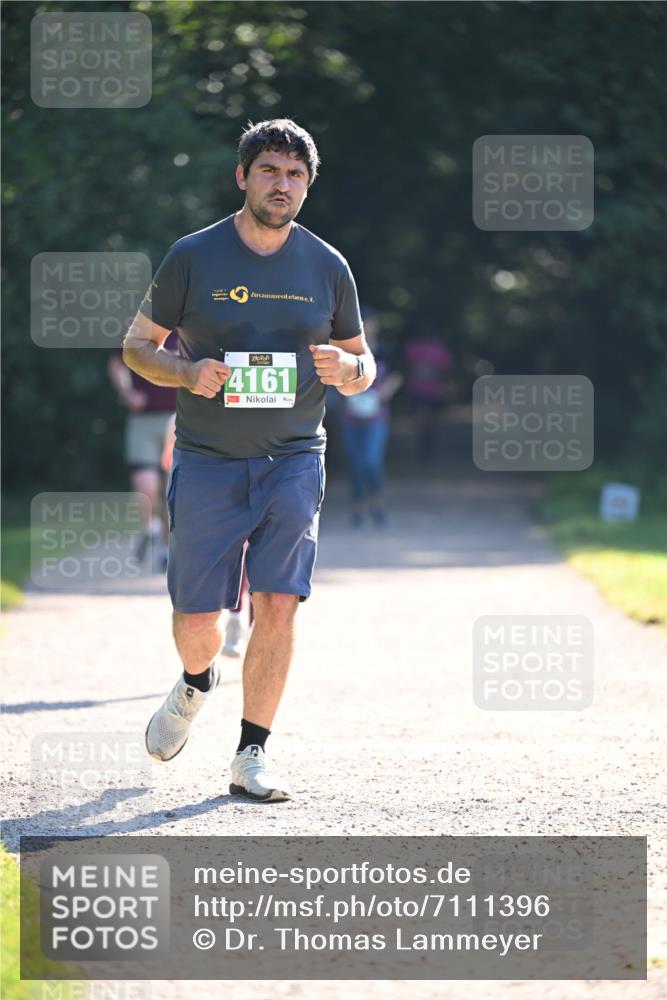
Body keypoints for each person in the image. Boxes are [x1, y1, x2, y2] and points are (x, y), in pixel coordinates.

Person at [122, 118, 375, 801]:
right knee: (197, 622)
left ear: (307, 185)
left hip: (294, 457)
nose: (281, 184)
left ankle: (251, 753)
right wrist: (185, 371)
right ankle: (197, 680)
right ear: (242, 176)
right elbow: (137, 345)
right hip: (207, 459)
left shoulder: (326, 265)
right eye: (268, 170)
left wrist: (348, 368)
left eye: (294, 174)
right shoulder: (193, 255)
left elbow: (363, 364)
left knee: (279, 603)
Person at [108, 331, 179, 569]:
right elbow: (116, 364)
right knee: (145, 485)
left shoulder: (191, 326)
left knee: (173, 489)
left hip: (178, 417)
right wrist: (127, 393)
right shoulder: (139, 327)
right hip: (144, 420)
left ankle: (166, 550)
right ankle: (151, 528)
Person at [337, 309, 402, 526]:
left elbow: (398, 375)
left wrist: (382, 394)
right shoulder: (345, 351)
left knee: (371, 462)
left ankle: (377, 504)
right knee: (355, 464)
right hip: (350, 418)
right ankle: (357, 507)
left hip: (376, 418)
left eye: (369, 323)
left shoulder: (384, 351)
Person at [404, 327, 453, 461]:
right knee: (420, 422)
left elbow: (446, 370)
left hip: (434, 392)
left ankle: (429, 447)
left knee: (431, 423)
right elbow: (406, 367)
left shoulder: (438, 348)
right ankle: (422, 448)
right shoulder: (413, 347)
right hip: (417, 390)